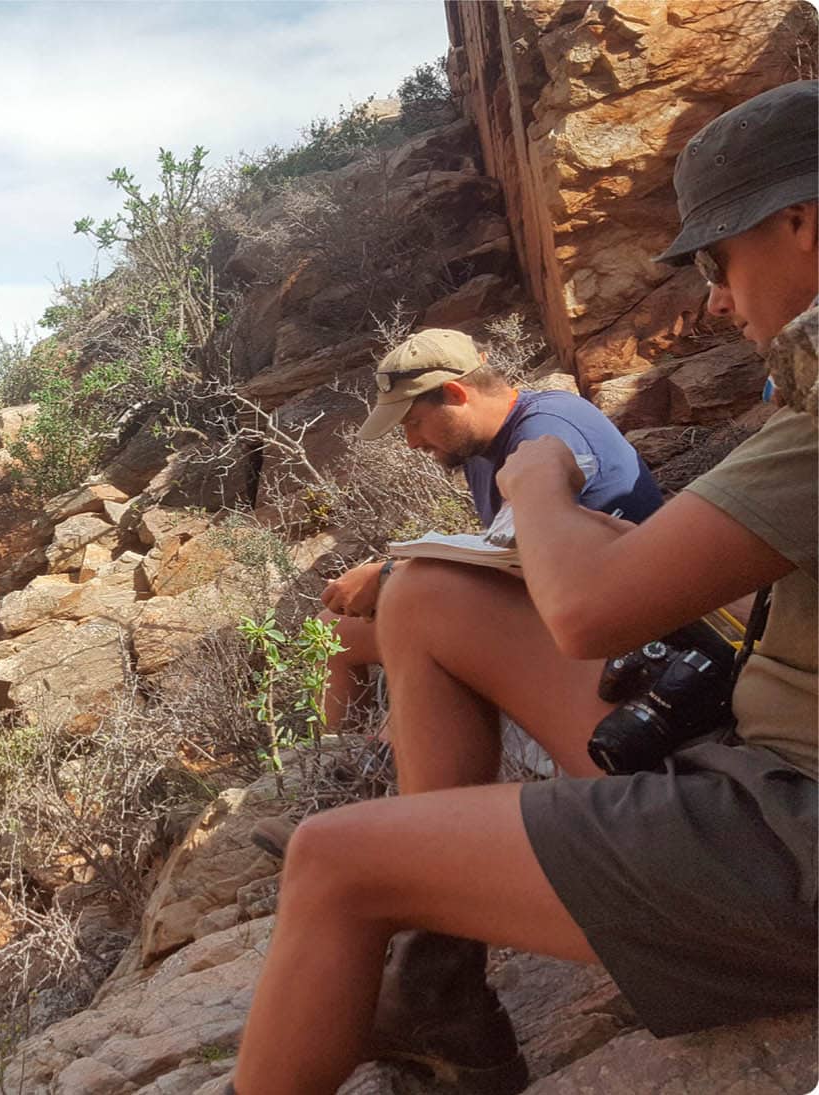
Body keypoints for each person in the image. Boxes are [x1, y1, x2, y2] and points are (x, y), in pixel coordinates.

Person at [230, 77, 818, 1095]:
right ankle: (438, 971)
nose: (716, 297)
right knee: (421, 597)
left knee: (331, 863)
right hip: (741, 721)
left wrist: (536, 486)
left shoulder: (540, 436)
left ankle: (419, 927)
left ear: (800, 223)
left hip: (787, 832)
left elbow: (582, 607)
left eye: (719, 259)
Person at [307, 328, 664, 744]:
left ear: (457, 394)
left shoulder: (545, 431)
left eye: (414, 423)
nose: (410, 442)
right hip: (547, 609)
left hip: (614, 628)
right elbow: (507, 551)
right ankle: (337, 757)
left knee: (413, 626)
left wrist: (390, 576)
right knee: (333, 631)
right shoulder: (483, 447)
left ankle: (383, 765)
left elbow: (533, 558)